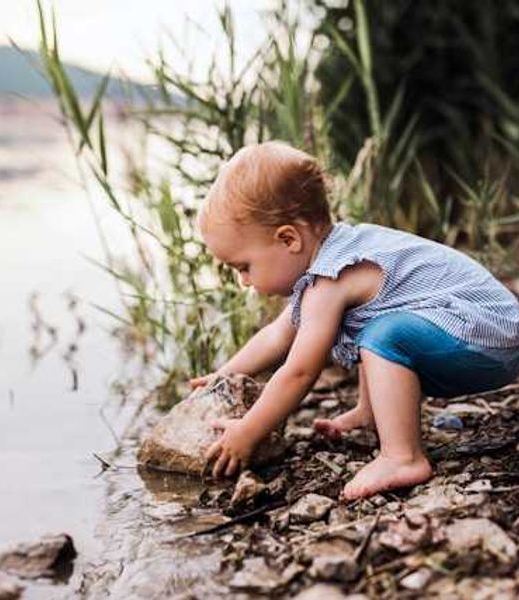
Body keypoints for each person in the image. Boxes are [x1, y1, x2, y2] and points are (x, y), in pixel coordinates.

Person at [190, 141, 519, 500]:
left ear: (288, 239)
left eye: (244, 266)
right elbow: (276, 336)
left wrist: (248, 431)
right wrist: (224, 375)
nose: (244, 281)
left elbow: (300, 371)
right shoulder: (332, 258)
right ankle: (370, 412)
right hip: (487, 330)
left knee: (385, 333)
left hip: (487, 338)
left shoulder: (331, 278)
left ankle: (402, 456)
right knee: (377, 321)